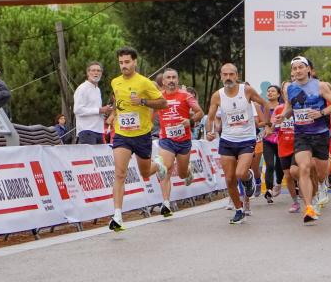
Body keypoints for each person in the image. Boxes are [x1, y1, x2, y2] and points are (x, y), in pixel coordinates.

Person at [108, 47, 169, 232]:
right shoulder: (115, 82)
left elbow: (163, 103)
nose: (124, 66)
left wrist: (143, 102)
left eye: (127, 62)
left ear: (135, 62)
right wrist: (113, 115)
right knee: (119, 173)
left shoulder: (145, 83)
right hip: (122, 135)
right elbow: (117, 102)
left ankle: (158, 165)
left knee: (145, 173)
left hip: (142, 135)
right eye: (121, 63)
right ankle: (117, 215)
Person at [206, 63, 268, 225]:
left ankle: (249, 180)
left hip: (247, 139)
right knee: (229, 178)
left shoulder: (246, 90)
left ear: (237, 75)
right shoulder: (217, 95)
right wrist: (209, 132)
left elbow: (265, 103)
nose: (228, 77)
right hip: (227, 140)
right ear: (220, 76)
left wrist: (268, 124)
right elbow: (211, 117)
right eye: (225, 74)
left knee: (240, 173)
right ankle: (239, 210)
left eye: (231, 74)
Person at [282, 56, 331, 224]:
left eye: (301, 67)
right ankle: (308, 207)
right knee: (304, 167)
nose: (298, 71)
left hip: (321, 134)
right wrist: (282, 116)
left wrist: (321, 113)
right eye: (294, 68)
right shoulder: (290, 89)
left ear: (308, 69)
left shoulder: (319, 85)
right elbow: (289, 108)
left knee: (321, 174)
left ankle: (322, 185)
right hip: (301, 135)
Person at [155, 68, 204, 217]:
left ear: (177, 80)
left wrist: (190, 121)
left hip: (183, 141)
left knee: (182, 174)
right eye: (168, 78)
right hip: (166, 139)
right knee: (166, 168)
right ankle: (166, 204)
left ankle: (188, 171)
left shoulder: (185, 95)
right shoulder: (158, 97)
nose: (171, 80)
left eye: (173, 77)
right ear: (163, 81)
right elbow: (149, 115)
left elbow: (200, 113)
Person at [73, 61, 112, 145]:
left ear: (101, 73)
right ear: (88, 73)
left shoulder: (98, 89)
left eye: (98, 71)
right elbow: (77, 110)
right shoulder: (82, 88)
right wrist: (99, 110)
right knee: (88, 157)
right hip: (87, 131)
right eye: (93, 70)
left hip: (99, 131)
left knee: (97, 157)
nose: (96, 73)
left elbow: (95, 110)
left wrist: (105, 112)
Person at [261, 85, 285, 203]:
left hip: (281, 139)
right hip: (268, 139)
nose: (270, 93)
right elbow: (259, 121)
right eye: (268, 91)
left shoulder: (283, 107)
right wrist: (265, 125)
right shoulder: (263, 107)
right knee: (269, 165)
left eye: (273, 91)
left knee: (280, 165)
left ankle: (279, 183)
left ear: (279, 94)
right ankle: (269, 190)